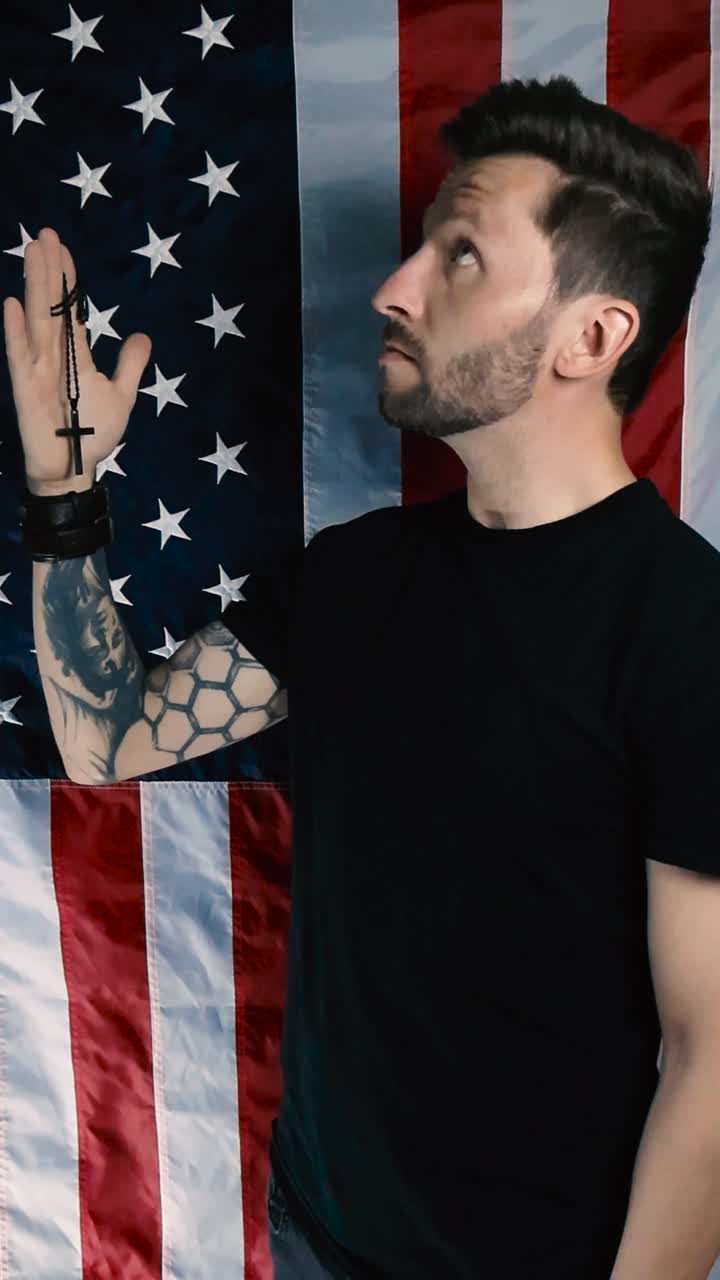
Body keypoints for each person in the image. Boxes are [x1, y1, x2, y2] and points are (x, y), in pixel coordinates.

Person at [4, 73, 720, 1279]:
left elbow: (713, 1056)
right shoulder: (353, 576)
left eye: (461, 254)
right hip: (318, 1234)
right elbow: (107, 739)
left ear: (593, 337)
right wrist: (65, 488)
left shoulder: (687, 630)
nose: (395, 287)